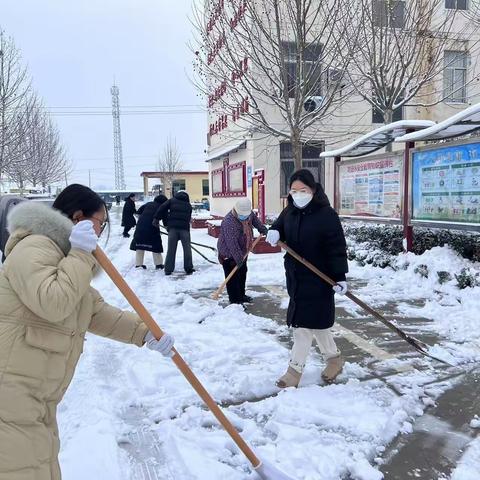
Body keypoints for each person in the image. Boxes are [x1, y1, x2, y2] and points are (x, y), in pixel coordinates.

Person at [0, 184, 174, 480]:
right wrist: (81, 254)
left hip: (35, 396)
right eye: (99, 222)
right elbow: (54, 301)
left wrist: (145, 333)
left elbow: (91, 310)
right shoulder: (34, 247)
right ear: (79, 217)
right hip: (11, 393)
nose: (101, 230)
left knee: (41, 466)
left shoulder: (61, 255)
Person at [266, 169, 348, 387]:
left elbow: (337, 247)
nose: (298, 194)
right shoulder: (290, 211)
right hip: (296, 277)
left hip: (320, 278)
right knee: (318, 325)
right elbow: (279, 228)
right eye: (294, 190)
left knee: (302, 326)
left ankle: (294, 371)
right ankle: (334, 359)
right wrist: (274, 232)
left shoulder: (326, 214)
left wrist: (340, 276)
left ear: (313, 189)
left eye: (303, 190)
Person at [217, 198, 267, 304]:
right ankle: (235, 301)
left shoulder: (248, 214)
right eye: (242, 214)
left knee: (242, 272)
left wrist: (261, 228)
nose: (244, 216)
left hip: (243, 249)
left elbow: (254, 220)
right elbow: (232, 244)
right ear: (236, 210)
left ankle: (241, 295)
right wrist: (238, 259)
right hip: (228, 253)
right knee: (232, 277)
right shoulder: (229, 222)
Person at [153, 189, 194, 276]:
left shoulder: (172, 201)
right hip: (184, 230)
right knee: (187, 249)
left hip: (173, 229)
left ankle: (168, 269)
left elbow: (162, 208)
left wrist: (157, 219)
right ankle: (188, 268)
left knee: (171, 249)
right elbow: (188, 219)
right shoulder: (188, 205)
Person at [130, 194, 168, 270]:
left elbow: (137, 213)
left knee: (139, 246)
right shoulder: (162, 207)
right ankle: (159, 264)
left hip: (140, 227)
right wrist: (168, 228)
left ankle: (139, 264)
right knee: (156, 245)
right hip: (152, 228)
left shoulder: (148, 204)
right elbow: (165, 220)